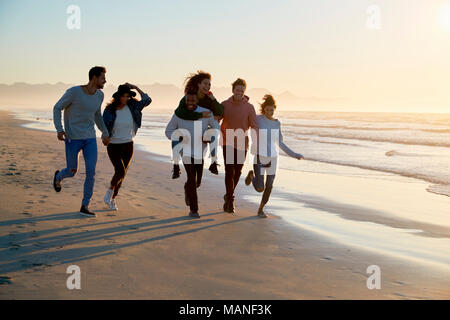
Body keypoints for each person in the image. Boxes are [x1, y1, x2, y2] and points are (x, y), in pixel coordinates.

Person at [52, 66, 110, 217]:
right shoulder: (74, 92)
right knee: (72, 171)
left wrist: (105, 132)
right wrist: (59, 129)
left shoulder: (100, 95)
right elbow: (57, 107)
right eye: (103, 78)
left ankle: (85, 205)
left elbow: (97, 114)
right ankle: (59, 177)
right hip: (73, 138)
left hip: (90, 138)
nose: (105, 80)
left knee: (91, 172)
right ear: (94, 78)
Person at [245, 94, 303, 217]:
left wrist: (294, 154)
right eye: (267, 110)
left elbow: (280, 143)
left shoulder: (277, 124)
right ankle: (252, 176)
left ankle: (261, 209)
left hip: (273, 158)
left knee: (269, 185)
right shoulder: (258, 118)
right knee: (260, 188)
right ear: (263, 109)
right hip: (260, 157)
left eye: (271, 110)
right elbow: (246, 115)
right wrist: (245, 101)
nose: (269, 112)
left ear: (274, 109)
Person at [165, 91, 220, 218]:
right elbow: (168, 131)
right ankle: (194, 210)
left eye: (193, 101)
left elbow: (216, 127)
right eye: (188, 101)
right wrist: (179, 136)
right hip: (186, 152)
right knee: (191, 178)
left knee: (197, 182)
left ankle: (187, 188)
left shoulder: (206, 113)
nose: (190, 103)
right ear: (185, 101)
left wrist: (209, 134)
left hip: (200, 152)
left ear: (197, 101)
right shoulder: (179, 114)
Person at [102, 83, 152, 211]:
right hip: (113, 145)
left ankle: (113, 199)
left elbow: (147, 100)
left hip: (128, 144)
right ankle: (109, 192)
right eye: (123, 96)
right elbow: (104, 126)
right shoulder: (109, 110)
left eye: (128, 96)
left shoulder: (133, 106)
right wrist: (104, 137)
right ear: (118, 97)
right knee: (120, 171)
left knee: (122, 174)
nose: (126, 99)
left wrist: (135, 87)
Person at [171, 71, 224, 179]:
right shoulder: (189, 97)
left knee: (214, 134)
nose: (207, 86)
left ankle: (214, 162)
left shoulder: (209, 99)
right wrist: (200, 115)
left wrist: (213, 99)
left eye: (209, 84)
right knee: (176, 134)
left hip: (203, 133)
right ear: (198, 84)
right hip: (187, 133)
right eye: (205, 83)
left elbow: (221, 112)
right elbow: (180, 112)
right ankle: (176, 166)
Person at [220, 78, 258, 214]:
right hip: (228, 140)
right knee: (229, 171)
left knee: (238, 172)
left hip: (243, 142)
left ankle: (228, 195)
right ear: (233, 90)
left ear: (244, 92)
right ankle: (230, 200)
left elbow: (254, 126)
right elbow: (215, 119)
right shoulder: (224, 104)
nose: (239, 92)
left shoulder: (249, 107)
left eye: (242, 90)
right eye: (237, 90)